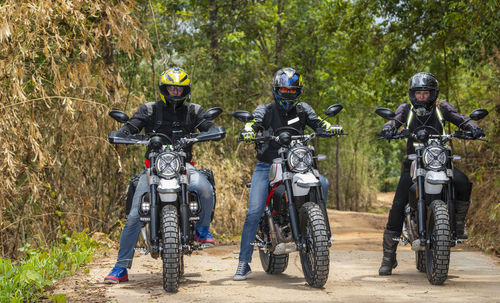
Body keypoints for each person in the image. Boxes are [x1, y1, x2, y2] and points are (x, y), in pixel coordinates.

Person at [105, 67, 219, 283]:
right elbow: (131, 127)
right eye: (171, 88)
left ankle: (202, 229)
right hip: (154, 169)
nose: (175, 92)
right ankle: (121, 267)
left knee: (205, 187)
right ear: (163, 89)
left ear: (186, 90)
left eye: (179, 89)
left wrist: (213, 131)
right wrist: (124, 135)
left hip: (184, 167)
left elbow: (208, 126)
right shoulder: (149, 110)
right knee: (133, 217)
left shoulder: (193, 110)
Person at [233, 67, 343, 281]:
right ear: (276, 89)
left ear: (298, 91)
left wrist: (330, 127)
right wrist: (249, 131)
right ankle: (243, 263)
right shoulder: (265, 110)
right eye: (284, 89)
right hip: (268, 164)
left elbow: (319, 122)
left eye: (293, 90)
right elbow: (253, 123)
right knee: (254, 211)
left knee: (324, 183)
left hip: (297, 163)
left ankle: (317, 231)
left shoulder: (303, 110)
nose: (288, 94)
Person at [378, 72, 485, 276]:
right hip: (414, 161)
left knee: (463, 183)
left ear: (433, 94)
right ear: (412, 94)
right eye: (419, 93)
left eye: (426, 93)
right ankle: (388, 256)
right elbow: (395, 121)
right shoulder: (406, 110)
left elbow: (460, 119)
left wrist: (473, 128)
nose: (422, 97)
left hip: (440, 159)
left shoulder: (442, 108)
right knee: (399, 203)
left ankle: (459, 224)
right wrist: (388, 128)